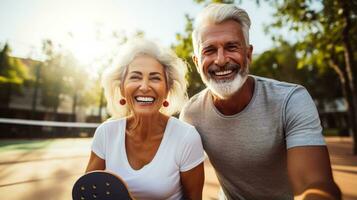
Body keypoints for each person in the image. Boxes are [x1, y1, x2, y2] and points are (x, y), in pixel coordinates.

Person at [180, 3, 341, 200]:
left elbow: (314, 182)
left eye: (231, 47)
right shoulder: (191, 114)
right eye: (210, 50)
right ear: (197, 62)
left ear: (248, 55)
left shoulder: (290, 100)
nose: (221, 60)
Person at [86, 39, 205, 200]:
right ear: (122, 88)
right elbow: (88, 192)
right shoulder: (106, 133)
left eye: (155, 78)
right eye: (135, 77)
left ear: (167, 89)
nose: (144, 86)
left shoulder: (186, 138)